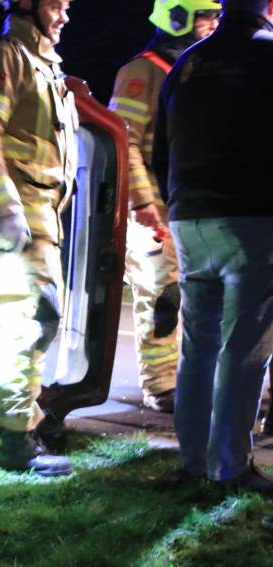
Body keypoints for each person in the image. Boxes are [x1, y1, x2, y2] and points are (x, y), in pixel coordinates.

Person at [153, 0, 273, 492]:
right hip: (251, 216)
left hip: (189, 214)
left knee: (198, 346)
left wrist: (178, 202)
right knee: (243, 349)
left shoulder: (188, 62)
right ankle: (230, 466)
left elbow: (161, 147)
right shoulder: (268, 55)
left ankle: (193, 462)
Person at [0, 0, 77, 476]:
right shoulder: (5, 57)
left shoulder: (42, 64)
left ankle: (5, 426)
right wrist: (7, 210)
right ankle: (13, 440)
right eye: (55, 5)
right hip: (20, 217)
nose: (64, 16)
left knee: (20, 324)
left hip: (40, 215)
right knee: (27, 324)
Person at [108, 0, 220, 414]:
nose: (213, 24)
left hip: (192, 207)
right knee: (161, 300)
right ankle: (159, 386)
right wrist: (144, 202)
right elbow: (127, 143)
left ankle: (191, 382)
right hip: (154, 211)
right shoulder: (142, 72)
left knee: (201, 302)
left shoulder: (200, 69)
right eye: (205, 16)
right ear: (177, 17)